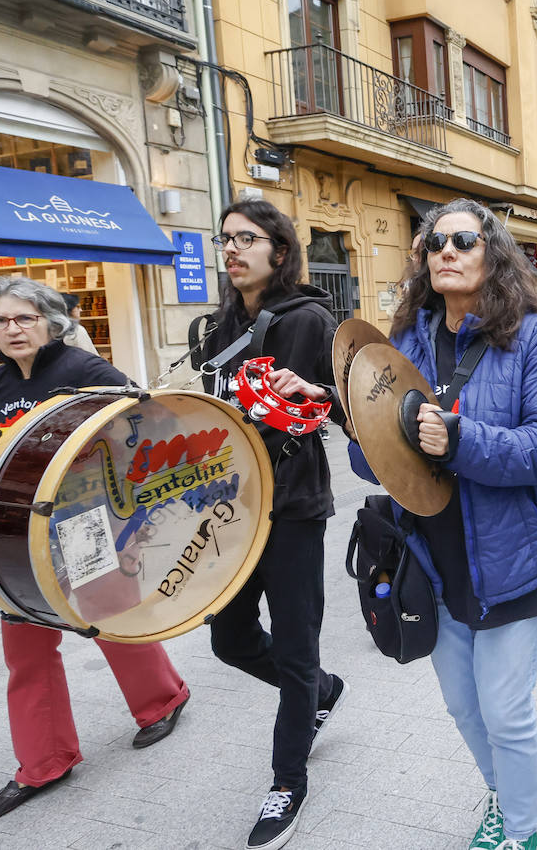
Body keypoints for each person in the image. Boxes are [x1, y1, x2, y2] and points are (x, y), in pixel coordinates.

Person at [349, 198, 537, 850]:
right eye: (434, 243)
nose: (445, 251)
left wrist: (458, 441)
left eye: (463, 241)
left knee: (506, 713)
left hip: (513, 558)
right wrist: (353, 424)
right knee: (463, 706)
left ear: (493, 256)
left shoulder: (533, 336)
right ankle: (503, 793)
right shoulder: (407, 341)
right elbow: (374, 466)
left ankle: (522, 830)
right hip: (431, 560)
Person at [0, 277, 189, 825]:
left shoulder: (84, 371)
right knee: (25, 646)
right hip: (17, 532)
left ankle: (163, 701)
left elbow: (155, 418)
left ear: (49, 319)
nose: (13, 329)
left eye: (24, 317)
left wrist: (112, 472)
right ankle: (44, 763)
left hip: (88, 522)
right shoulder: (0, 381)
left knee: (111, 621)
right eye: (1, 321)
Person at [200, 200, 349, 850]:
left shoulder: (309, 318)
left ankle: (287, 781)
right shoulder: (221, 325)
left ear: (279, 251)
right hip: (230, 505)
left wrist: (312, 403)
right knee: (229, 639)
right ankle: (321, 688)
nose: (232, 249)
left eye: (246, 239)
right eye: (225, 239)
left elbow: (341, 407)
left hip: (292, 505)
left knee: (293, 648)